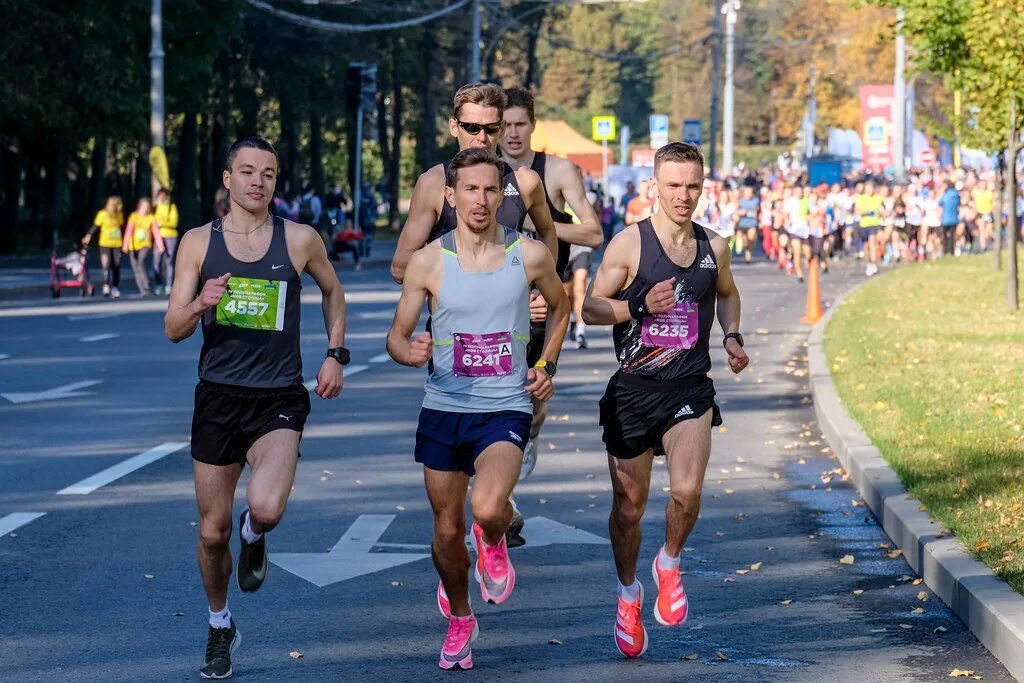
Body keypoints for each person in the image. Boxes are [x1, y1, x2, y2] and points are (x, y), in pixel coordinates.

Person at [165, 137, 348, 680]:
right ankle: (220, 624)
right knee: (211, 532)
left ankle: (256, 535)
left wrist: (335, 352)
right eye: (247, 172)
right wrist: (201, 303)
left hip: (277, 399)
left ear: (275, 181)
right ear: (227, 179)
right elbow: (173, 328)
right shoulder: (199, 244)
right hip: (218, 397)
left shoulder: (299, 240)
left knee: (264, 510)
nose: (257, 182)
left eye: (268, 173)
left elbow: (334, 292)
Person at [386, 148, 569, 671]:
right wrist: (410, 351)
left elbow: (560, 307)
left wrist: (547, 364)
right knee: (446, 530)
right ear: (451, 196)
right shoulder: (428, 262)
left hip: (505, 406)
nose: (481, 200)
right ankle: (462, 618)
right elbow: (397, 337)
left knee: (487, 508)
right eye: (470, 189)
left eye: (491, 189)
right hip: (444, 407)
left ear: (502, 195)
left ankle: (493, 538)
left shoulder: (529, 255)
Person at [582, 142, 749, 659]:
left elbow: (726, 292)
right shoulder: (629, 246)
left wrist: (732, 336)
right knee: (628, 509)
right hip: (634, 391)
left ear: (703, 186)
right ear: (655, 186)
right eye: (673, 185)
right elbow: (589, 308)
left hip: (689, 387)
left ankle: (670, 563)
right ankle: (629, 593)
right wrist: (636, 304)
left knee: (687, 491)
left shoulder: (713, 246)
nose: (683, 195)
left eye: (692, 185)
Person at [499, 86, 604, 543]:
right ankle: (502, 501)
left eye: (521, 123)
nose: (513, 133)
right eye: (505, 125)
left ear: (533, 125)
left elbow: (594, 232)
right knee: (495, 400)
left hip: (544, 302)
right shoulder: (481, 173)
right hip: (496, 304)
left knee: (533, 405)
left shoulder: (557, 170)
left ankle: (518, 461)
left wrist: (538, 223)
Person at [390, 83, 558, 284]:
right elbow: (400, 268)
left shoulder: (525, 182)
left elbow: (547, 232)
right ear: (454, 127)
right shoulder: (433, 183)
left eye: (491, 128)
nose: (481, 138)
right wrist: (467, 272)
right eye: (471, 128)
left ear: (502, 129)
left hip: (510, 315)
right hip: (452, 314)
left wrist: (542, 288)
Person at [81, 195, 124, 298]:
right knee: (106, 264)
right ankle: (105, 285)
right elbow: (95, 226)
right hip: (105, 243)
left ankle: (115, 287)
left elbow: (121, 227)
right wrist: (88, 236)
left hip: (117, 243)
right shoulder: (102, 214)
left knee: (116, 265)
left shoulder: (119, 215)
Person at [122, 198, 166, 296]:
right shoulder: (133, 216)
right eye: (144, 206)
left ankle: (146, 283)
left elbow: (156, 232)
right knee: (135, 267)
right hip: (133, 246)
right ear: (140, 206)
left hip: (145, 244)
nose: (145, 209)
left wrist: (160, 246)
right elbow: (129, 231)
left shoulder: (151, 217)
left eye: (147, 207)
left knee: (141, 262)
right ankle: (142, 289)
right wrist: (125, 244)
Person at [154, 188, 180, 295]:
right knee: (157, 261)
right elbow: (152, 221)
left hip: (170, 236)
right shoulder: (155, 207)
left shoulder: (171, 207)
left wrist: (161, 222)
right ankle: (158, 284)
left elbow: (174, 222)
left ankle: (169, 285)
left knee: (169, 261)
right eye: (160, 195)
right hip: (158, 237)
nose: (161, 198)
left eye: (163, 195)